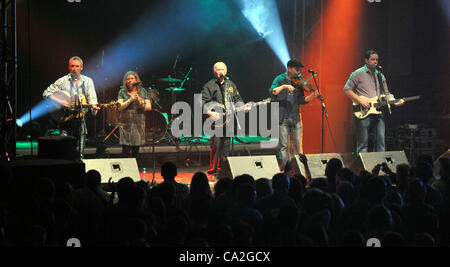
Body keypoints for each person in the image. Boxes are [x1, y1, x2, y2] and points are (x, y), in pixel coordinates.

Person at [343, 49, 404, 153]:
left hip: (377, 111)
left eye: (377, 60)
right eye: (373, 59)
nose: (375, 62)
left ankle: (380, 167)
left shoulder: (380, 75)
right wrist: (360, 100)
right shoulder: (357, 74)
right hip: (363, 111)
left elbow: (387, 93)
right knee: (363, 144)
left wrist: (395, 101)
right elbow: (347, 89)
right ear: (366, 60)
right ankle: (361, 167)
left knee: (381, 142)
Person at [43, 56, 100, 158]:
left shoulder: (88, 81)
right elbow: (46, 93)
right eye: (72, 66)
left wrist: (94, 107)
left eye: (77, 66)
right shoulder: (62, 81)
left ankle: (79, 164)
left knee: (79, 151)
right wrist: (61, 101)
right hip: (65, 119)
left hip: (80, 118)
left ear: (81, 68)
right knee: (66, 149)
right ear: (69, 67)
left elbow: (92, 99)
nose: (74, 68)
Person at [201, 62, 250, 175]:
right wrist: (209, 112)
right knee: (216, 145)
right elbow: (202, 102)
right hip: (216, 121)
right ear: (214, 71)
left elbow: (237, 99)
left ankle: (224, 170)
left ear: (226, 71)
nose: (220, 71)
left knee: (226, 146)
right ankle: (213, 169)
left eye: (222, 69)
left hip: (228, 121)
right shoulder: (210, 85)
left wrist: (243, 107)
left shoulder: (231, 84)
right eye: (218, 69)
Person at [269, 59, 318, 169]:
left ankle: (299, 170)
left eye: (299, 70)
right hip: (283, 118)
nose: (298, 72)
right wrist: (285, 86)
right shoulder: (279, 79)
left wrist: (311, 96)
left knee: (298, 147)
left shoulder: (299, 81)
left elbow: (301, 100)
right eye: (296, 69)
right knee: (284, 146)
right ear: (289, 68)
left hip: (296, 118)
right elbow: (272, 92)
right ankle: (286, 170)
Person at [117, 71, 152, 158]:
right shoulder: (122, 91)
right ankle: (126, 170)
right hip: (126, 124)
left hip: (138, 124)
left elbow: (148, 107)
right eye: (128, 79)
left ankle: (135, 168)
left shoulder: (142, 91)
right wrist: (130, 99)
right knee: (125, 149)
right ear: (125, 81)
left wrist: (140, 100)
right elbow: (119, 106)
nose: (130, 80)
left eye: (132, 78)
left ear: (136, 80)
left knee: (135, 150)